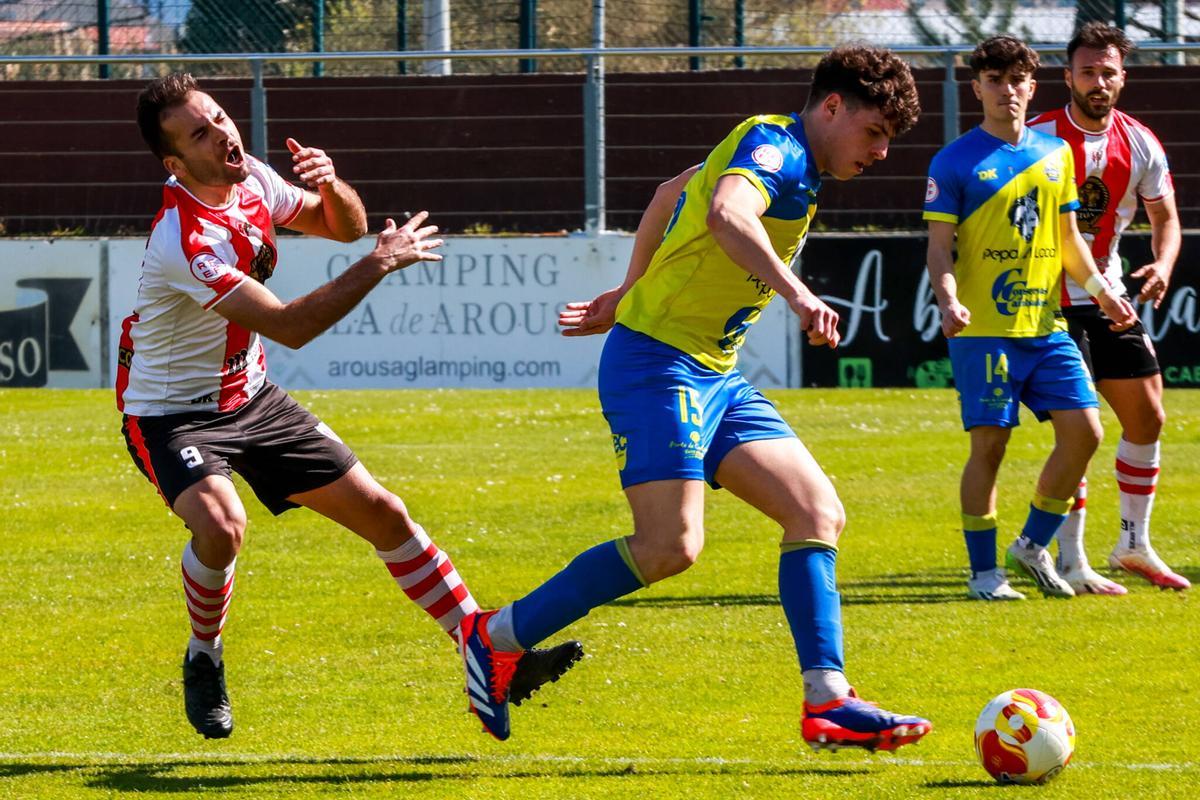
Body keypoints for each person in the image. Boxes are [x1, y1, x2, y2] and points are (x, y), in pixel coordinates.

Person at [455, 46, 933, 751]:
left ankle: (827, 700)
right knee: (670, 545)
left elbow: (667, 195)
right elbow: (724, 216)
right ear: (833, 106)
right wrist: (799, 295)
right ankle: (491, 636)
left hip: (714, 374)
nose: (884, 151)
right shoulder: (772, 145)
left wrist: (624, 290)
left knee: (815, 510)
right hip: (657, 366)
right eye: (876, 131)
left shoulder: (783, 157)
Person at [120, 73, 580, 739]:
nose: (222, 130)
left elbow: (343, 226)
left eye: (218, 116)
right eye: (199, 131)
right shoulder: (185, 241)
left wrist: (330, 185)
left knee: (387, 514)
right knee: (222, 527)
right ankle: (204, 655)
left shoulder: (249, 178)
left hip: (249, 394)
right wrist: (379, 262)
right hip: (171, 413)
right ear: (174, 163)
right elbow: (290, 325)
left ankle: (486, 651)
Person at [923, 36, 1138, 602]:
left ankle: (1031, 545)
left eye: (1017, 81)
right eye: (994, 81)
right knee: (989, 448)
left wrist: (1101, 292)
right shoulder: (953, 161)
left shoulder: (1054, 154)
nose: (1007, 91)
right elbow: (939, 248)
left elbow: (1069, 241)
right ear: (977, 89)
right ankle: (983, 574)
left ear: (1031, 87)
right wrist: (948, 299)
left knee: (1086, 433)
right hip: (984, 332)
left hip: (1048, 326)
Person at [1028, 23, 1190, 592]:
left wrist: (1163, 265)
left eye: (1109, 72)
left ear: (1124, 77)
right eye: (1089, 71)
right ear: (1067, 75)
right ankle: (1071, 559)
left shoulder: (1141, 142)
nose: (1099, 82)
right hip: (1045, 303)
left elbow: (1166, 220)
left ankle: (1132, 543)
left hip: (1110, 299)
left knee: (1147, 416)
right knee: (1078, 431)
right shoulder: (1036, 137)